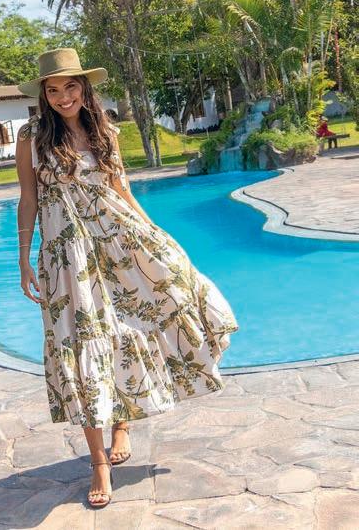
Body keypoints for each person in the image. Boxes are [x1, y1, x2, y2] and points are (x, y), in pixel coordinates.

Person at [15, 48, 239, 509]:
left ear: (84, 88)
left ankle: (122, 423)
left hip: (119, 241)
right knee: (79, 345)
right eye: (53, 90)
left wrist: (156, 234)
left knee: (131, 326)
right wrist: (23, 259)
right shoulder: (31, 137)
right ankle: (98, 463)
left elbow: (122, 191)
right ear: (43, 95)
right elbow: (28, 200)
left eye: (70, 86)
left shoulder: (106, 131)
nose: (62, 96)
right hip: (67, 256)